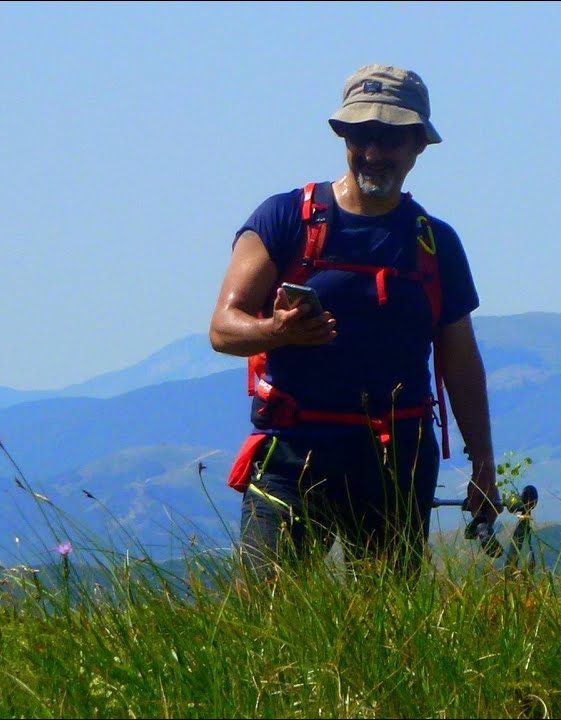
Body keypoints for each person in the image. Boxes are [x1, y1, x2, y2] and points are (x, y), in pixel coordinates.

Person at [208, 63, 499, 578]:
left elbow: (460, 361)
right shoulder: (283, 220)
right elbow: (222, 329)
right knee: (266, 621)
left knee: (389, 628)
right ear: (342, 134)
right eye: (362, 135)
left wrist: (483, 466)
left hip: (396, 461)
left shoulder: (436, 243)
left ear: (418, 146)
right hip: (291, 456)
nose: (374, 152)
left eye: (390, 138)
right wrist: (278, 332)